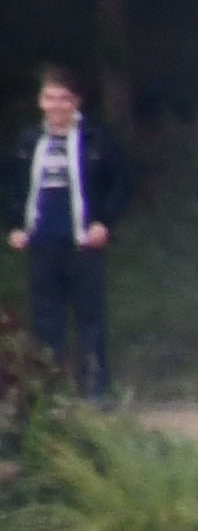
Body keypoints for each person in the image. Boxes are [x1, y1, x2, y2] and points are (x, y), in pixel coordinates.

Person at [17, 72, 119, 400]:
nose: (57, 105)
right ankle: (53, 392)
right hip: (42, 242)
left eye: (64, 98)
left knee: (90, 317)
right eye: (50, 98)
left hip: (82, 242)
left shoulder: (95, 139)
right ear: (41, 102)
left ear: (76, 102)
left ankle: (96, 392)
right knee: (47, 319)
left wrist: (104, 222)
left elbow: (118, 185)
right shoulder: (29, 141)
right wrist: (14, 226)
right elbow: (13, 186)